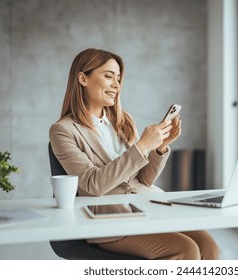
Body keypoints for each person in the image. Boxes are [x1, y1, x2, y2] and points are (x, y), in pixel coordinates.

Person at [49, 48, 219, 260]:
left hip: (149, 205)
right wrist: (141, 147)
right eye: (108, 76)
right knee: (187, 249)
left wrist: (159, 147)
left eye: (119, 78)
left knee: (209, 246)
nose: (116, 85)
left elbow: (144, 180)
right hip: (111, 221)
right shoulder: (63, 130)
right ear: (83, 78)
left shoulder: (123, 120)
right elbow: (93, 185)